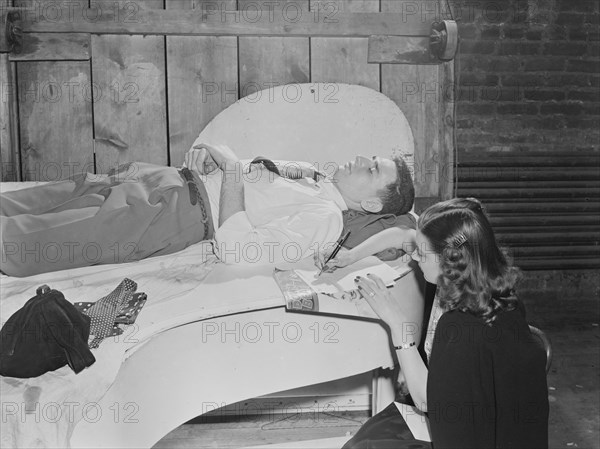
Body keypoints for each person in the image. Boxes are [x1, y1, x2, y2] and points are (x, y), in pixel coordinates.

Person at [0, 143, 414, 277]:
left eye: (372, 169)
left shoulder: (324, 219)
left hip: (171, 214)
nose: (361, 160)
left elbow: (237, 250)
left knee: (28, 239)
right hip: (161, 179)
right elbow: (245, 177)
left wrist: (232, 169)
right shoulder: (311, 176)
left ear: (373, 203)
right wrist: (219, 156)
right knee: (27, 202)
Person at [337, 198, 549, 448]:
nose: (413, 256)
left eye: (421, 251)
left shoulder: (460, 325)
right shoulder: (492, 290)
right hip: (490, 423)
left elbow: (427, 401)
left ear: (449, 259)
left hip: (468, 432)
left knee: (361, 445)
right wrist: (351, 256)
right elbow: (402, 237)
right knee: (369, 434)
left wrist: (397, 323)